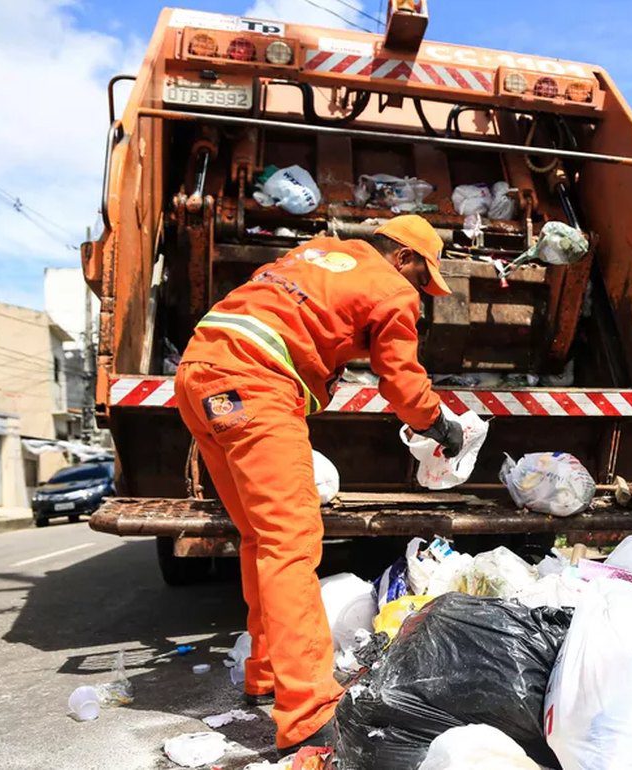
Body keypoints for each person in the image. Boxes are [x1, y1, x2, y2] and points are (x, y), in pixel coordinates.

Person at [175, 214, 467, 758]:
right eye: (421, 278)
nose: (419, 293)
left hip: (200, 372)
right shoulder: (390, 289)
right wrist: (439, 425)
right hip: (257, 382)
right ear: (401, 257)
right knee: (291, 543)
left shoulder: (318, 252)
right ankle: (308, 713)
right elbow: (401, 379)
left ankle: (265, 671)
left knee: (260, 536)